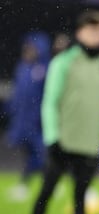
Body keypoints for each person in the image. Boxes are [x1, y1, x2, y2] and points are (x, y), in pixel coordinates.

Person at [28, 9, 99, 214]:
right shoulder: (63, 62)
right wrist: (53, 138)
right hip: (62, 143)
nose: (96, 35)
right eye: (91, 30)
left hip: (90, 146)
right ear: (80, 32)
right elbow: (50, 102)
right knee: (45, 195)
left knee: (80, 201)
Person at [6, 31, 50, 201]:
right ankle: (46, 182)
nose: (27, 50)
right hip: (22, 122)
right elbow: (17, 95)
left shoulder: (45, 68)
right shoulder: (22, 67)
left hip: (38, 123)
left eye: (31, 47)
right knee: (30, 154)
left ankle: (25, 184)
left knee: (39, 155)